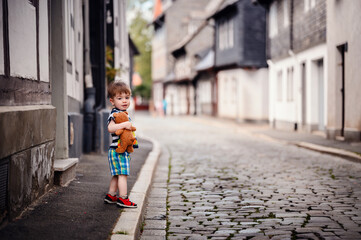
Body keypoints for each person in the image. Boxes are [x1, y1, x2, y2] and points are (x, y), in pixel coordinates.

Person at [103, 81, 137, 208]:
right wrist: (124, 124)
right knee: (123, 174)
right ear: (112, 101)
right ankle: (123, 198)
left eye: (127, 98)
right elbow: (110, 128)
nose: (124, 101)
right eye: (120, 98)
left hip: (120, 150)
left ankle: (111, 195)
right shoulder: (115, 114)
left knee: (117, 174)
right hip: (118, 150)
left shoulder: (124, 114)